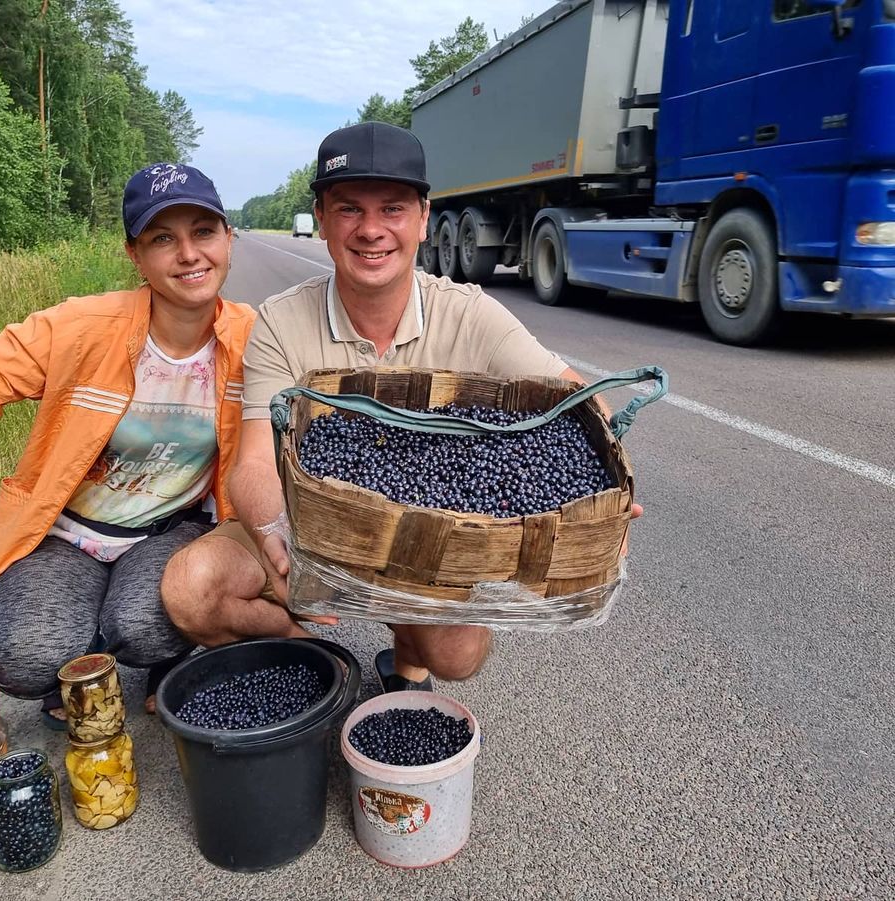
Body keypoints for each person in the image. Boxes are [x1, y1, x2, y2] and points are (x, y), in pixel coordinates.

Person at [161, 122, 641, 692]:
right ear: (321, 218)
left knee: (457, 655)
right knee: (192, 590)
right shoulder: (281, 323)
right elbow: (257, 465)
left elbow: (580, 401)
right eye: (348, 210)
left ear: (423, 217)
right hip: (312, 521)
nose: (370, 231)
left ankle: (408, 656)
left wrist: (600, 497)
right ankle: (319, 657)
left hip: (429, 537)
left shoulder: (468, 313)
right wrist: (278, 536)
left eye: (392, 209)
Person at [0, 163, 256, 724]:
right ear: (135, 256)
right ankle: (69, 656)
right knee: (26, 656)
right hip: (64, 535)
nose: (189, 254)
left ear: (228, 238)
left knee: (148, 624)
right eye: (162, 238)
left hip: (171, 530)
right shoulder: (78, 327)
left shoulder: (251, 338)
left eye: (203, 231)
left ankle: (162, 656)